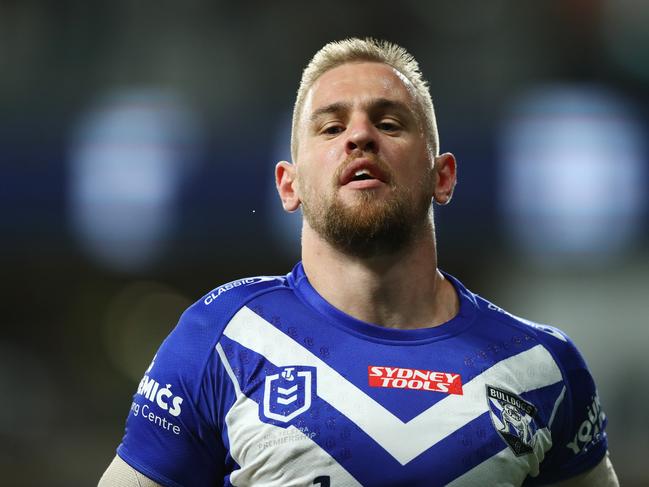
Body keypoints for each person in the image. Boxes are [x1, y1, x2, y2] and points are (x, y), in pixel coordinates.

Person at [99, 38, 619, 487]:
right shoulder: (223, 339)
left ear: (443, 177)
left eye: (389, 123)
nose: (360, 136)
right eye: (330, 128)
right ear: (289, 185)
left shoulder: (542, 368)